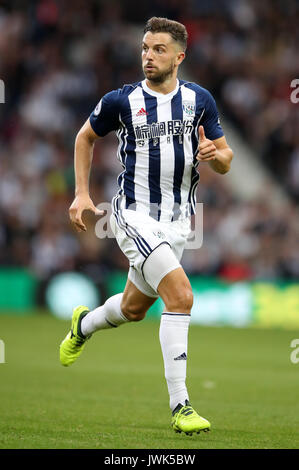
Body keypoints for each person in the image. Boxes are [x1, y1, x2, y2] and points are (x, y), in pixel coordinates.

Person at [59, 17, 233, 436]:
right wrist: (82, 193)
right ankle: (181, 406)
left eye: (158, 49)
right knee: (181, 295)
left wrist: (215, 153)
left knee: (135, 309)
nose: (148, 56)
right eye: (144, 48)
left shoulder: (199, 100)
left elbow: (226, 160)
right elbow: (85, 137)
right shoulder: (122, 100)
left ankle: (83, 324)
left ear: (179, 56)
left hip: (178, 224)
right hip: (133, 215)